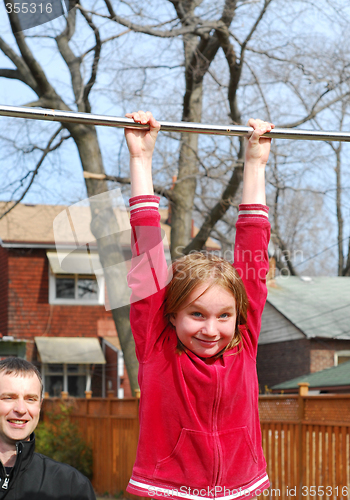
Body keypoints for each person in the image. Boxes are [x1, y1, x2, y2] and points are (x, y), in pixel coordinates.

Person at [124, 111, 274, 500]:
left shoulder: (243, 344)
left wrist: (255, 163)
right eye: (196, 314)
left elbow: (253, 258)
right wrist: (141, 159)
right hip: (168, 491)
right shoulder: (158, 349)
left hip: (242, 490)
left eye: (224, 315)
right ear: (171, 315)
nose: (212, 329)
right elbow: (147, 253)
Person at [0, 357, 96, 499]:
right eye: (9, 397)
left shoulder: (71, 485)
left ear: (40, 405)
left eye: (30, 399)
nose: (20, 409)